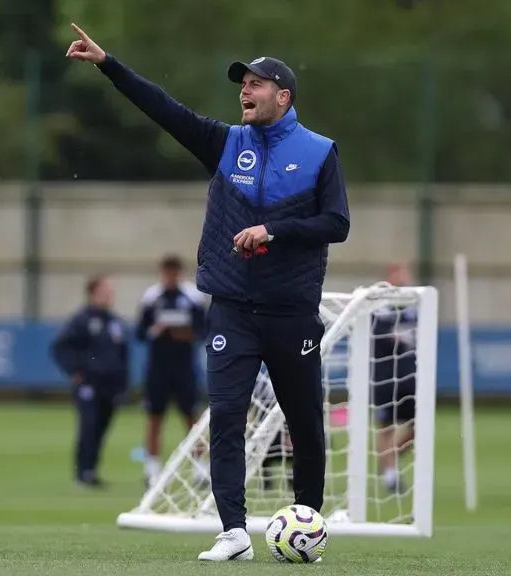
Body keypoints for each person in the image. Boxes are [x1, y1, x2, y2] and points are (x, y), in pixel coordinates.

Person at [65, 24, 351, 561]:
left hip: (291, 312)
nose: (245, 89)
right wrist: (108, 64)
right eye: (242, 83)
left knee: (306, 426)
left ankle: (307, 527)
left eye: (257, 83)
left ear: (283, 96)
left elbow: (337, 223)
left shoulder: (318, 153)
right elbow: (162, 108)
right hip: (232, 310)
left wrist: (274, 230)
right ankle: (235, 532)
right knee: (225, 416)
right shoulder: (226, 144)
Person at [50, 274, 130, 489]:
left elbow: (123, 355)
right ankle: (82, 472)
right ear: (93, 293)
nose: (109, 295)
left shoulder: (115, 322)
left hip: (110, 386)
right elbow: (61, 347)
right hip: (88, 384)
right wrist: (74, 371)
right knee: (88, 425)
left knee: (102, 428)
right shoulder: (82, 320)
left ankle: (92, 470)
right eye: (105, 291)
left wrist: (123, 385)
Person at [135, 254, 207, 487]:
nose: (170, 278)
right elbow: (140, 332)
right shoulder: (152, 297)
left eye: (173, 273)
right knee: (155, 417)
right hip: (158, 368)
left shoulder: (192, 297)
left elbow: (203, 330)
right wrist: (157, 330)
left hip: (184, 368)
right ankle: (152, 469)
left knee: (191, 418)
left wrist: (183, 333)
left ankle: (201, 468)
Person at [370, 263, 418, 494]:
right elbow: (377, 339)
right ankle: (390, 476)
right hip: (385, 378)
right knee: (386, 426)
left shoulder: (415, 306)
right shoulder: (379, 308)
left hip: (410, 377)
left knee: (416, 427)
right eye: (398, 274)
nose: (403, 278)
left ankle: (390, 458)